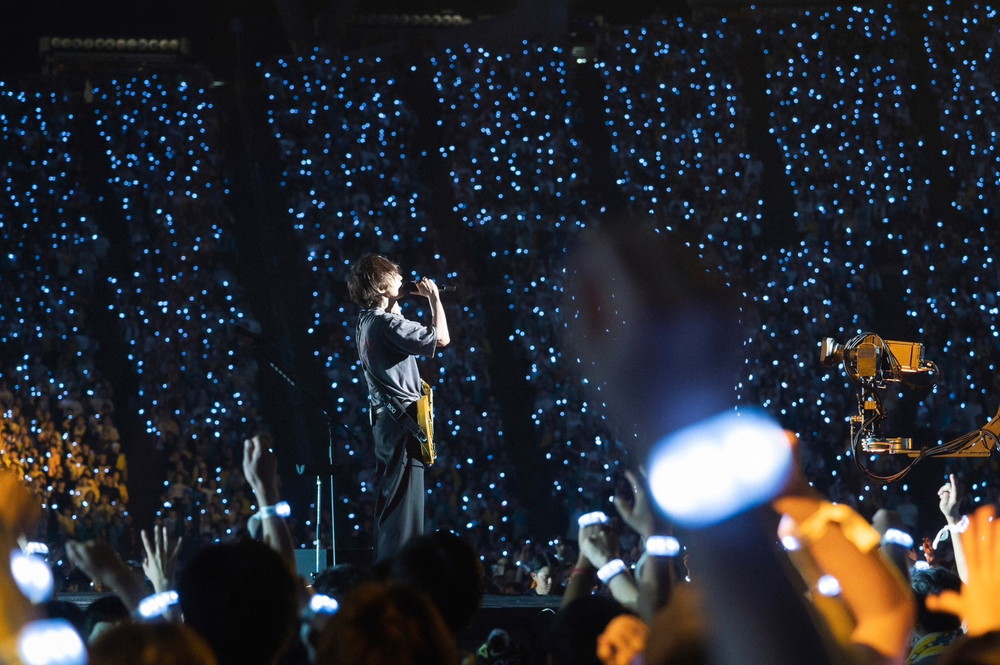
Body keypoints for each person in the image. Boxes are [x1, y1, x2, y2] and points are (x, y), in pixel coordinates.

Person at [348, 254, 450, 562]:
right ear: (381, 286)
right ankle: (398, 571)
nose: (403, 280)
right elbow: (441, 339)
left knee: (394, 501)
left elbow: (395, 322)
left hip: (388, 423)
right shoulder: (385, 324)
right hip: (402, 422)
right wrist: (434, 299)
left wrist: (396, 301)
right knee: (404, 507)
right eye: (395, 276)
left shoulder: (367, 321)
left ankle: (393, 567)